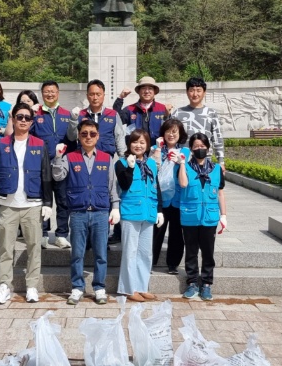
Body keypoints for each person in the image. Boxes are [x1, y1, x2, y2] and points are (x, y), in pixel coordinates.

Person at [0, 103, 54, 306]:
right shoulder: (1, 143)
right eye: (20, 117)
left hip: (32, 203)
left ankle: (32, 286)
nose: (24, 120)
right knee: (6, 248)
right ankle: (4, 286)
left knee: (34, 246)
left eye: (27, 117)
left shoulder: (39, 143)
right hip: (8, 204)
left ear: (32, 121)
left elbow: (46, 173)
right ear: (14, 119)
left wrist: (47, 202)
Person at [52, 118, 119, 305]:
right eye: (84, 134)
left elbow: (112, 185)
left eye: (92, 134)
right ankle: (77, 287)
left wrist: (115, 207)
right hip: (78, 212)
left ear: (98, 136)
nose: (88, 137)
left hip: (100, 212)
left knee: (100, 254)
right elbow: (58, 176)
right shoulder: (70, 157)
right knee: (77, 253)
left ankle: (99, 287)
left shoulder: (107, 158)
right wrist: (57, 157)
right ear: (79, 136)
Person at [176, 132, 226, 301]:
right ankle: (192, 283)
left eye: (202, 146)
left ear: (208, 148)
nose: (200, 149)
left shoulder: (217, 169)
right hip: (190, 216)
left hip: (210, 217)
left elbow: (220, 193)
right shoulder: (186, 167)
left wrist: (224, 215)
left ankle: (206, 284)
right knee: (190, 252)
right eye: (196, 146)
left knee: (208, 252)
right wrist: (182, 163)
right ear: (191, 149)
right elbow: (183, 184)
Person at [115, 128, 163, 300]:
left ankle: (142, 286)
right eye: (135, 142)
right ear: (129, 143)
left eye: (142, 142)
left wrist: (160, 211)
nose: (138, 145)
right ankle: (128, 289)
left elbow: (156, 187)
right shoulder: (121, 162)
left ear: (147, 145)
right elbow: (125, 185)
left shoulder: (151, 164)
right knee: (130, 252)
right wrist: (130, 167)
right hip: (131, 212)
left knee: (145, 252)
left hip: (148, 212)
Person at [32, 80, 73, 249]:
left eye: (53, 91)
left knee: (63, 200)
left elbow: (72, 138)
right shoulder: (36, 114)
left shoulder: (67, 114)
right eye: (46, 91)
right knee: (42, 200)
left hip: (62, 164)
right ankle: (42, 233)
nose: (50, 94)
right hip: (41, 164)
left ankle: (61, 234)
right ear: (42, 94)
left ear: (58, 93)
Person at [152, 117, 190, 273]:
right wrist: (158, 149)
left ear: (180, 134)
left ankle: (173, 264)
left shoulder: (185, 151)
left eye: (175, 132)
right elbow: (152, 168)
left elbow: (188, 172)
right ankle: (151, 261)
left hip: (178, 199)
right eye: (168, 131)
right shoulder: (156, 148)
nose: (171, 135)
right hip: (160, 198)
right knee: (156, 231)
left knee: (176, 233)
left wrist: (179, 161)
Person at [170, 77, 224, 161]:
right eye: (191, 90)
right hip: (183, 161)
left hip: (205, 161)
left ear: (204, 92)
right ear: (187, 92)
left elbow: (217, 139)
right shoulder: (178, 113)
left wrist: (221, 161)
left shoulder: (211, 113)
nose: (195, 94)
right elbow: (168, 134)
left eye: (198, 90)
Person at [68, 79, 126, 157]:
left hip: (106, 159)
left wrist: (123, 159)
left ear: (103, 96)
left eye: (98, 94)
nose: (95, 98)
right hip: (83, 159)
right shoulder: (80, 115)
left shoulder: (113, 114)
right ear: (87, 96)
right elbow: (71, 137)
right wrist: (74, 119)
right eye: (92, 94)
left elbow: (119, 138)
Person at [115, 75, 169, 142]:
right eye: (143, 88)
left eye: (150, 88)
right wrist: (120, 98)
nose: (146, 91)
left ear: (154, 91)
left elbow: (170, 129)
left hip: (157, 149)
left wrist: (168, 115)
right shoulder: (130, 109)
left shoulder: (162, 108)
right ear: (139, 91)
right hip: (135, 149)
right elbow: (116, 118)